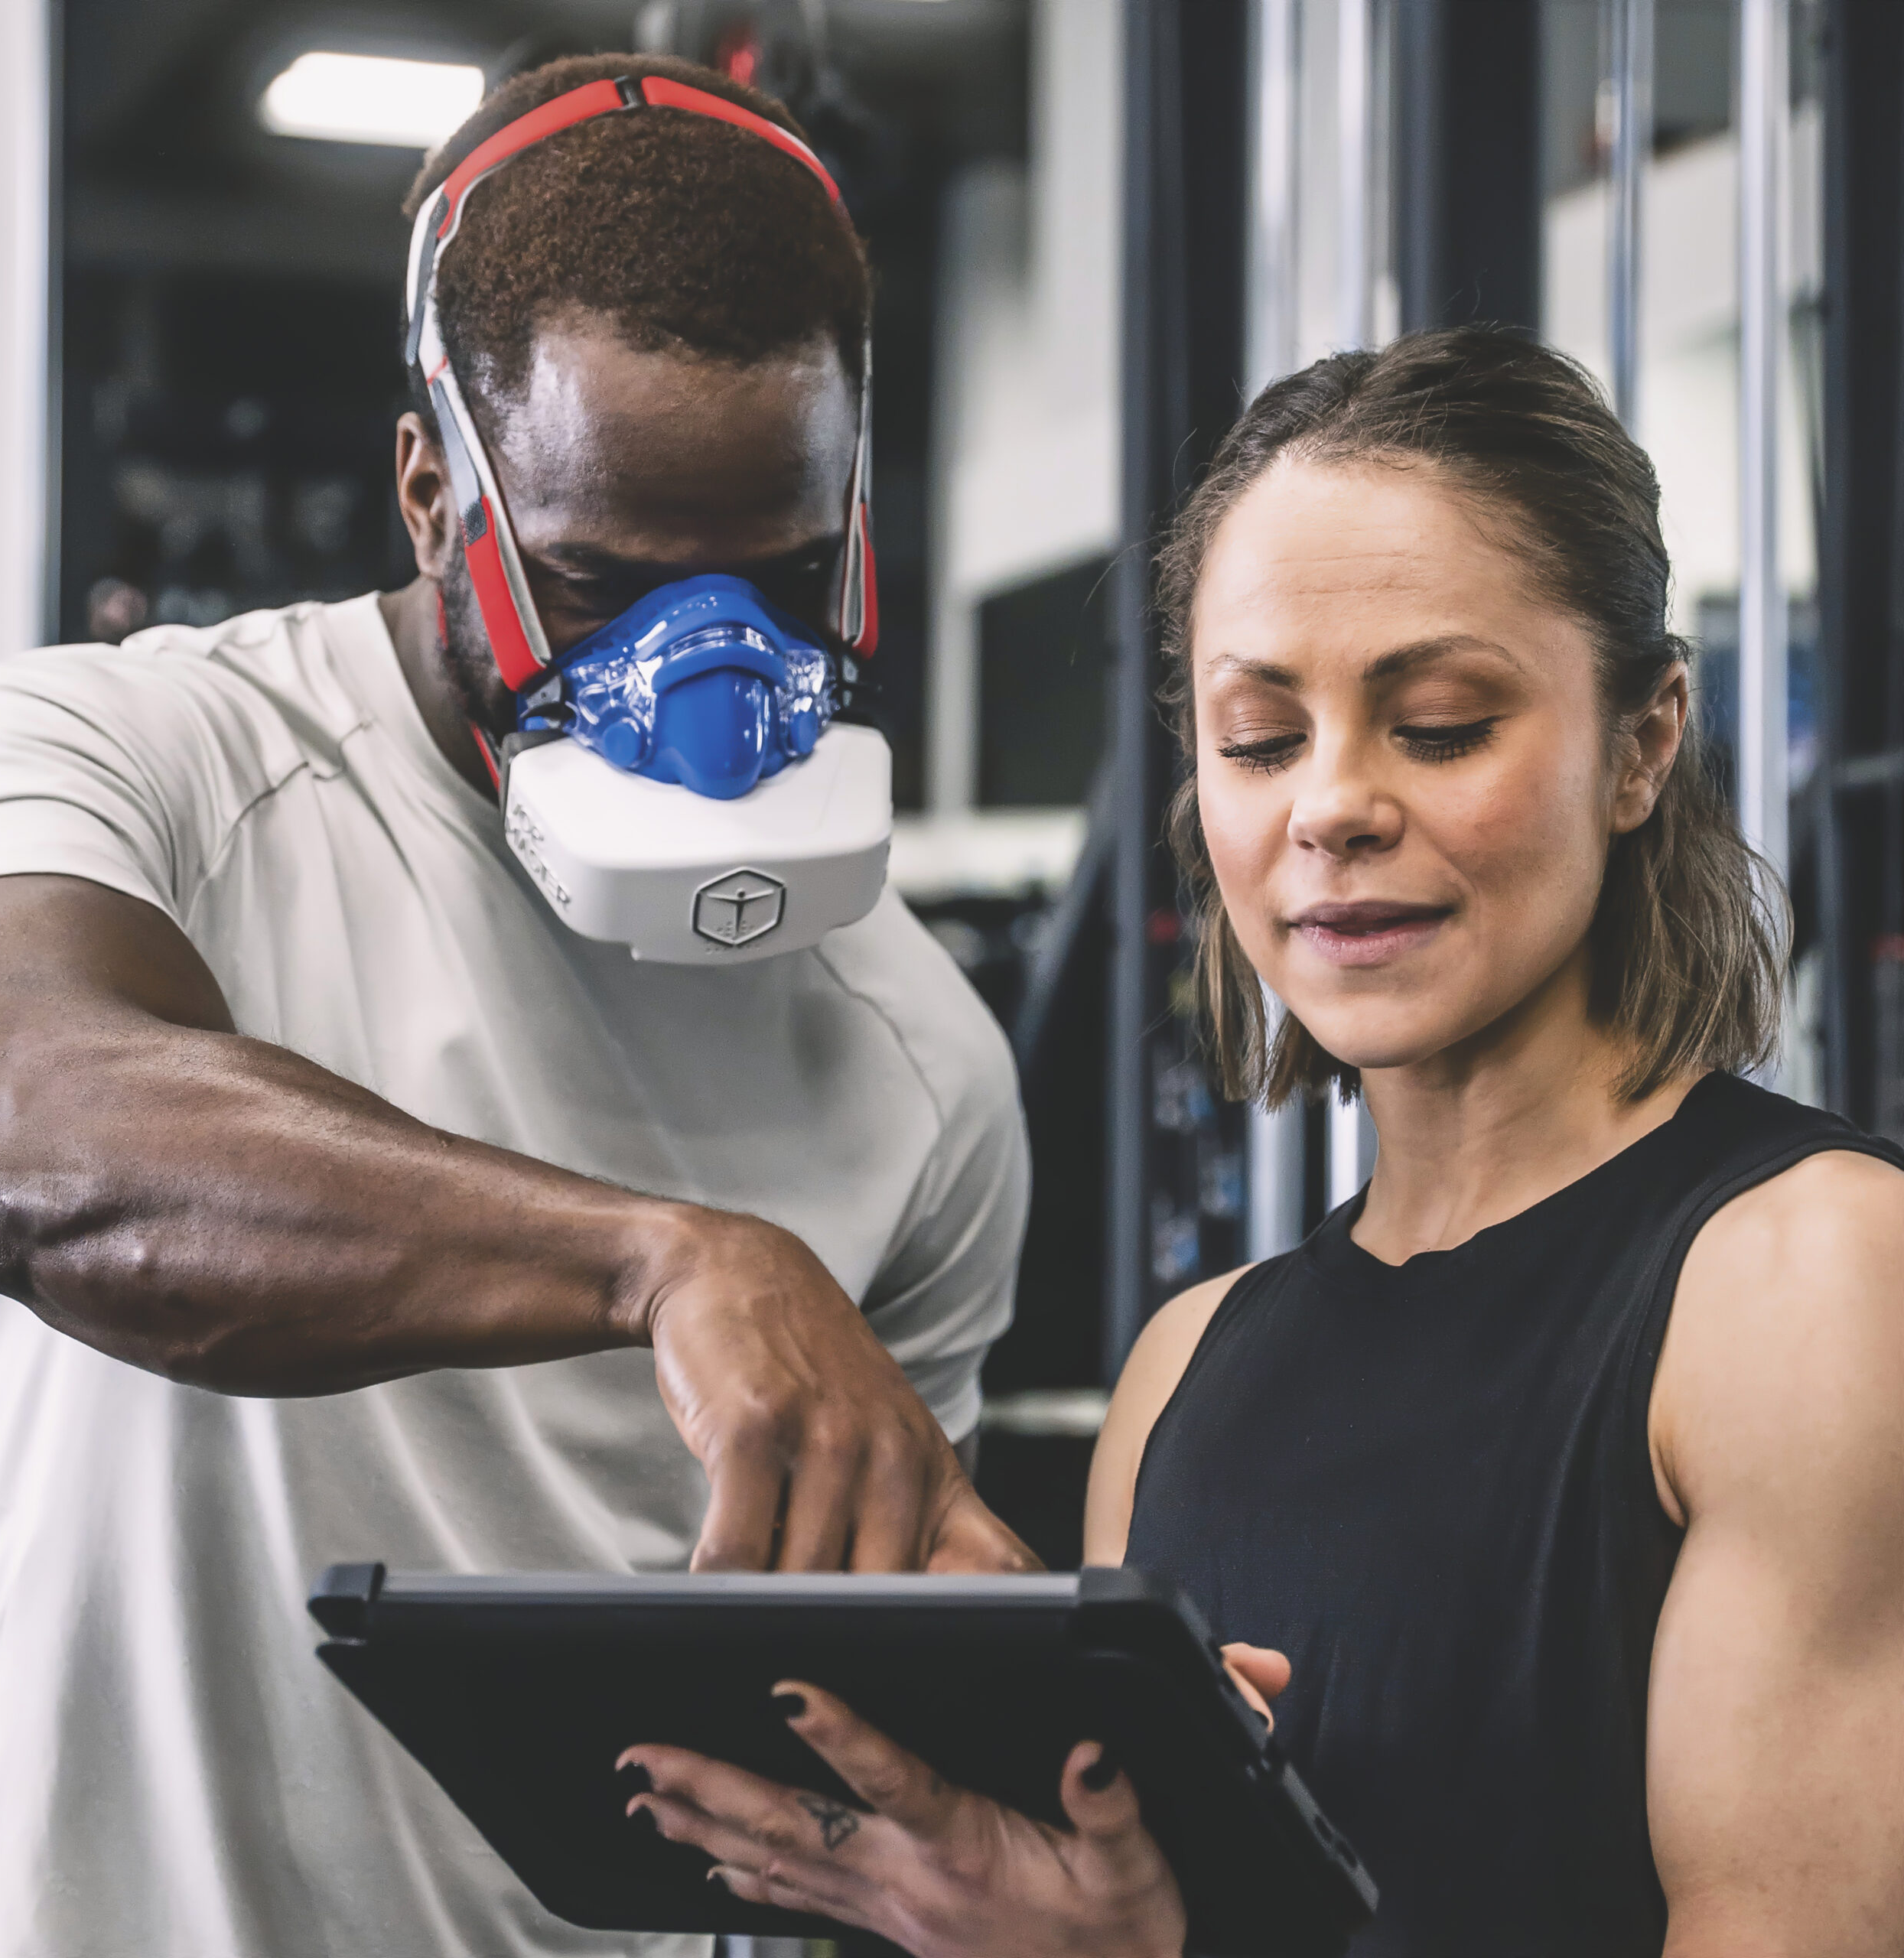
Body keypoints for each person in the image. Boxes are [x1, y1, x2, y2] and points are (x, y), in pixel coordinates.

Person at [619, 330, 1904, 1958]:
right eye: (1256, 736)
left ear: (1641, 741)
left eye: (1436, 723)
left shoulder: (1804, 1279)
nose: (1330, 805)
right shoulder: (1179, 1374)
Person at [0, 54, 1035, 1958]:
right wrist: (662, 1261)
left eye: (781, 580)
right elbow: (28, 1132)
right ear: (430, 481)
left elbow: (844, 1736)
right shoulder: (137, 760)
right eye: (602, 591)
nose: (703, 684)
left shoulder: (923, 1061)